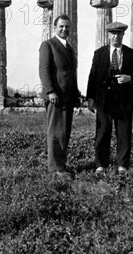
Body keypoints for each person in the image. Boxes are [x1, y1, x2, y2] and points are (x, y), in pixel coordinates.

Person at [86, 22, 133, 176]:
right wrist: (90, 98)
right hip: (103, 100)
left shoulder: (131, 54)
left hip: (124, 101)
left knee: (124, 133)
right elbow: (92, 77)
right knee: (102, 132)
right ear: (108, 35)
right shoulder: (99, 54)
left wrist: (129, 78)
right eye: (113, 33)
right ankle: (100, 165)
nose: (116, 37)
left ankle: (122, 166)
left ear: (123, 35)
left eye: (119, 34)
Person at [39, 14, 81, 176]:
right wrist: (50, 91)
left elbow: (71, 73)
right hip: (55, 96)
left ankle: (61, 165)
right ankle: (54, 168)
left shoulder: (69, 48)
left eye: (67, 27)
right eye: (61, 26)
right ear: (54, 28)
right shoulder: (48, 45)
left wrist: (76, 95)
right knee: (55, 131)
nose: (64, 29)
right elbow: (44, 70)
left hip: (68, 96)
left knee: (64, 132)